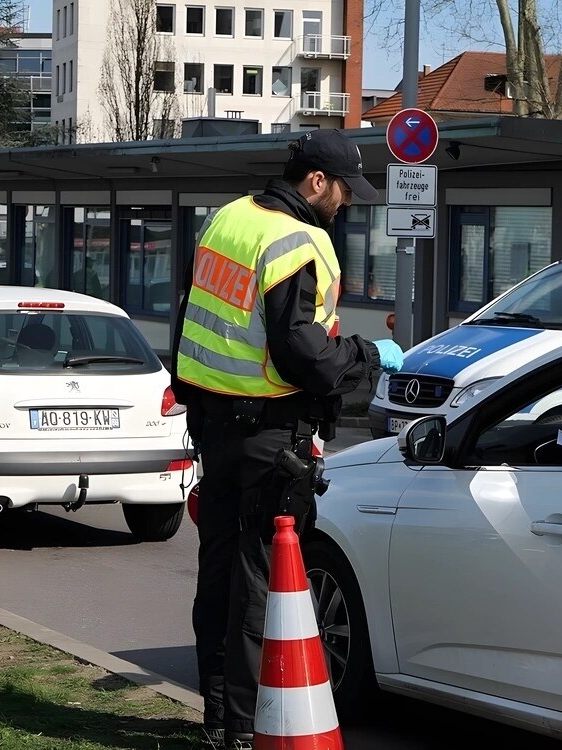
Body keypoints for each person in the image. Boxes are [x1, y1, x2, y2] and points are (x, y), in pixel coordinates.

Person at [171, 129, 404, 749]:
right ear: (316, 182)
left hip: (215, 423)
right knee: (257, 585)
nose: (349, 203)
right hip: (270, 432)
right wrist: (365, 356)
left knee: (218, 575)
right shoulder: (299, 240)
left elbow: (190, 312)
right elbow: (303, 350)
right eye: (345, 189)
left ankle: (220, 719)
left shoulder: (229, 218)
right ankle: (246, 731)